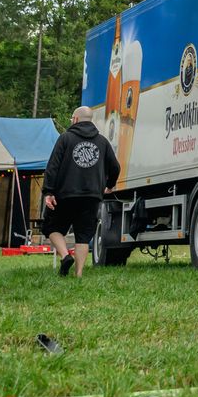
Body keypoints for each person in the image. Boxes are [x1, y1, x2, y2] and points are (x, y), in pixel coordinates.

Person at [43, 106, 117, 278]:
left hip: (66, 194)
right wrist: (110, 185)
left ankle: (65, 256)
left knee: (52, 227)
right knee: (83, 236)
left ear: (75, 119)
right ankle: (79, 274)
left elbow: (53, 166)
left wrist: (48, 192)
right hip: (92, 196)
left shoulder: (65, 138)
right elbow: (115, 166)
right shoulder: (102, 142)